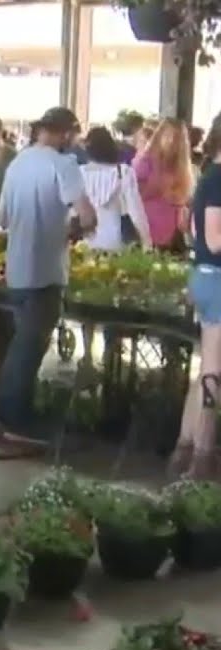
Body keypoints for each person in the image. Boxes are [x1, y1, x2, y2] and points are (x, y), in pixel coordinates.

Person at [0, 107, 96, 447]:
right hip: (46, 270)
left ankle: (0, 411)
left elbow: (3, 220)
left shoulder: (17, 163)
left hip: (17, 267)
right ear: (66, 133)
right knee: (30, 348)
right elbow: (87, 215)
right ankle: (17, 420)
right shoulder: (63, 164)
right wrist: (73, 231)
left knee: (19, 344)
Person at [171, 113, 221, 479]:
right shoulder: (218, 180)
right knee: (214, 374)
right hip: (216, 278)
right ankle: (202, 460)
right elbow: (215, 239)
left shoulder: (209, 177)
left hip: (205, 277)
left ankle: (184, 451)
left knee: (206, 369)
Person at [80, 126, 152, 252]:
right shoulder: (123, 172)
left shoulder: (78, 173)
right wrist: (147, 242)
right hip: (115, 238)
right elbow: (136, 211)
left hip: (85, 238)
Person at [135, 118, 195, 252]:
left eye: (175, 138)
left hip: (172, 233)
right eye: (167, 135)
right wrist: (158, 187)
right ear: (159, 135)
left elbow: (184, 198)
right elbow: (134, 194)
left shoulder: (182, 167)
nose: (170, 141)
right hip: (146, 229)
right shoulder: (146, 161)